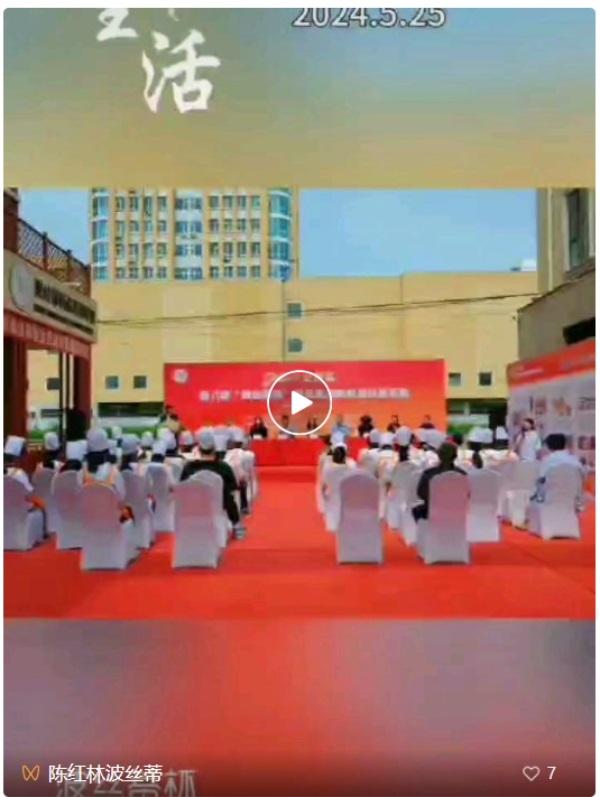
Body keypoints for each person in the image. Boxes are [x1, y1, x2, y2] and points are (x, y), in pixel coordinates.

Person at [180, 429, 244, 537]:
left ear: (198, 448)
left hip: (194, 508)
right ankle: (236, 524)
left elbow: (182, 489)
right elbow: (233, 489)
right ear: (214, 448)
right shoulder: (223, 467)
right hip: (219, 506)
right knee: (229, 496)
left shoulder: (189, 468)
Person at [413, 441, 467, 521]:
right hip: (456, 513)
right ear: (455, 456)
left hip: (433, 513)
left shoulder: (429, 473)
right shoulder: (462, 474)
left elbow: (421, 493)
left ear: (439, 454)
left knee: (416, 510)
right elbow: (468, 495)